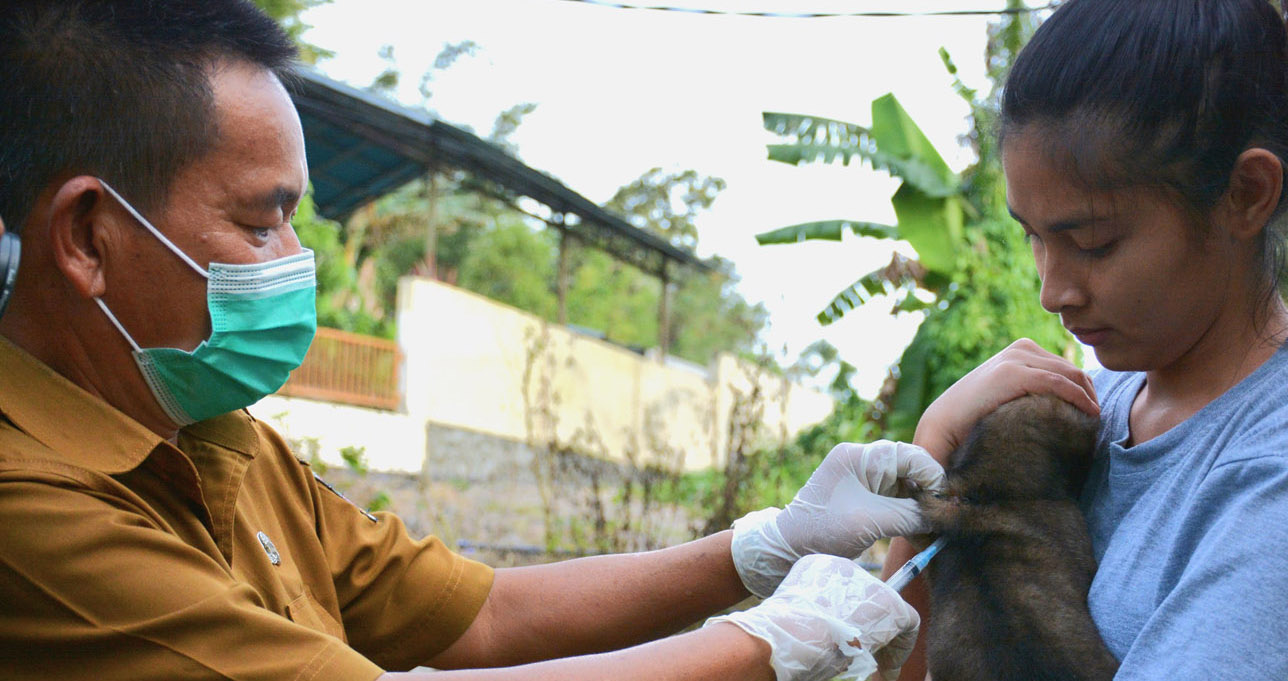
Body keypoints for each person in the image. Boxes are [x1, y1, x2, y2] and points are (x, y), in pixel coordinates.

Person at [0, 2, 962, 680]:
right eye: (261, 223)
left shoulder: (223, 444)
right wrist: (770, 643)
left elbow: (485, 617)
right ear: (88, 236)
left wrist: (766, 545)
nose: (298, 260)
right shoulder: (27, 511)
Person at [882, 0, 1288, 680]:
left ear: (1246, 193)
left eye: (1092, 242)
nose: (1052, 291)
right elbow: (889, 664)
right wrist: (932, 453)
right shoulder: (1088, 412)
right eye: (1033, 236)